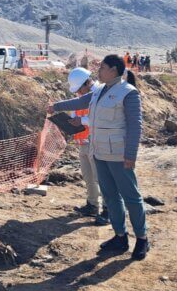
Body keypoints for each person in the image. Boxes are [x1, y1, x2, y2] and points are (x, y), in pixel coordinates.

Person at [47, 54, 150, 261]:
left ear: (113, 70)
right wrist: (56, 106)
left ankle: (142, 239)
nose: (98, 71)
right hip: (99, 152)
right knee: (111, 197)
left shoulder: (128, 93)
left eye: (102, 68)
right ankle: (120, 236)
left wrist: (130, 155)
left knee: (131, 197)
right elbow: (79, 102)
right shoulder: (100, 91)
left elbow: (135, 126)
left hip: (119, 154)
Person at [66, 67, 109, 226]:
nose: (78, 93)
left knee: (102, 178)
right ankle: (92, 205)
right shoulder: (81, 96)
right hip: (82, 142)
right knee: (89, 177)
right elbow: (75, 115)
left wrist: (81, 121)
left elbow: (101, 119)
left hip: (95, 142)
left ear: (86, 84)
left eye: (79, 90)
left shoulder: (100, 93)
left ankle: (108, 210)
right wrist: (69, 121)